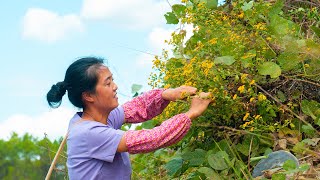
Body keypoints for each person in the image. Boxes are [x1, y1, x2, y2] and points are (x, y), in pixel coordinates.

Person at [46, 57, 212, 180]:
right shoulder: (87, 132)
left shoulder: (103, 117)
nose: (115, 87)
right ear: (88, 96)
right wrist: (191, 113)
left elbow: (138, 107)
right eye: (107, 83)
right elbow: (152, 139)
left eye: (113, 80)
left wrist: (166, 94)